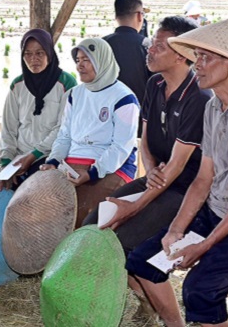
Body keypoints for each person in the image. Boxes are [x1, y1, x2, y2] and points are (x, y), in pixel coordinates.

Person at [125, 18, 228, 327]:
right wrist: (177, 230)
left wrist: (204, 245)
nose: (196, 65)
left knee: (199, 289)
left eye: (204, 57)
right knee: (144, 262)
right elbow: (204, 179)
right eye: (196, 57)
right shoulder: (213, 107)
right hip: (219, 210)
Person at [83, 16, 211, 255]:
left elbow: (177, 165)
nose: (149, 50)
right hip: (157, 178)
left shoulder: (198, 98)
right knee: (92, 223)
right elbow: (145, 139)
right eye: (152, 43)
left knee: (123, 240)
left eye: (159, 47)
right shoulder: (155, 84)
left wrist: (131, 208)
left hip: (183, 189)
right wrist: (150, 169)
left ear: (181, 55)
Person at [41, 37, 139, 226]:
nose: (80, 66)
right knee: (43, 208)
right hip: (72, 164)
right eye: (78, 60)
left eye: (87, 60)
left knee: (84, 213)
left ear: (102, 61)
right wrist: (53, 161)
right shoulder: (75, 95)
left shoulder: (124, 98)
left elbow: (120, 147)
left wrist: (92, 173)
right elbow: (65, 136)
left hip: (111, 167)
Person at [0, 29, 76, 191]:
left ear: (50, 53)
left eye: (40, 53)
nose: (33, 59)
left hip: (50, 156)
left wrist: (34, 156)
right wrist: (5, 163)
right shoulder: (17, 85)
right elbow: (8, 128)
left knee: (34, 199)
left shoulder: (66, 83)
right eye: (28, 54)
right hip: (18, 157)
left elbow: (63, 128)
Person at [104, 0, 152, 106]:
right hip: (139, 111)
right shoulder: (148, 45)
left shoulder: (102, 44)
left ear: (116, 16)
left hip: (105, 111)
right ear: (140, 16)